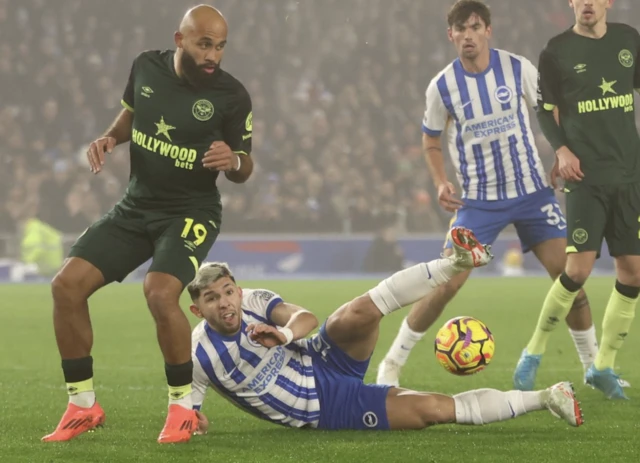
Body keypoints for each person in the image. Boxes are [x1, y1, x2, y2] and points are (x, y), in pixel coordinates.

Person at [42, 5, 254, 444]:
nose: (213, 54)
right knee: (66, 285)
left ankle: (182, 409)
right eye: (204, 44)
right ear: (180, 40)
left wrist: (232, 160)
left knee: (159, 291)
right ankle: (83, 406)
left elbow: (245, 165)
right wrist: (109, 137)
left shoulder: (233, 96)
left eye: (220, 46)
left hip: (191, 211)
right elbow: (131, 113)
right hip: (136, 207)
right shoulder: (145, 66)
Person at [376, 0, 599, 389]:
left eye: (474, 27)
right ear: (451, 35)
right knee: (445, 284)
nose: (467, 36)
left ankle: (593, 367)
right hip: (478, 202)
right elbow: (430, 141)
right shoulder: (442, 86)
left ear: (487, 30)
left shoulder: (518, 68)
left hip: (533, 194)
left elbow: (550, 110)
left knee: (570, 279)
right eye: (460, 29)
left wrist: (560, 149)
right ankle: (392, 362)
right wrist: (440, 182)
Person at [188, 227, 583, 434]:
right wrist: (194, 420)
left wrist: (285, 335)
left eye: (227, 292)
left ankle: (457, 262)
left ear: (237, 290)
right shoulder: (198, 356)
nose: (224, 302)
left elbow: (305, 317)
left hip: (318, 356)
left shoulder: (253, 299)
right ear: (196, 309)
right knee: (432, 410)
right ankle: (548, 397)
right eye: (211, 298)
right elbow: (188, 410)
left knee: (356, 313)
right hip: (327, 407)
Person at [513, 0, 640, 399]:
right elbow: (543, 109)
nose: (587, 3)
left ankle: (603, 366)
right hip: (585, 177)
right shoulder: (556, 51)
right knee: (578, 270)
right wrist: (561, 150)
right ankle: (533, 351)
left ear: (608, 2)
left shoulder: (628, 40)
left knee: (634, 273)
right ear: (571, 2)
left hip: (628, 174)